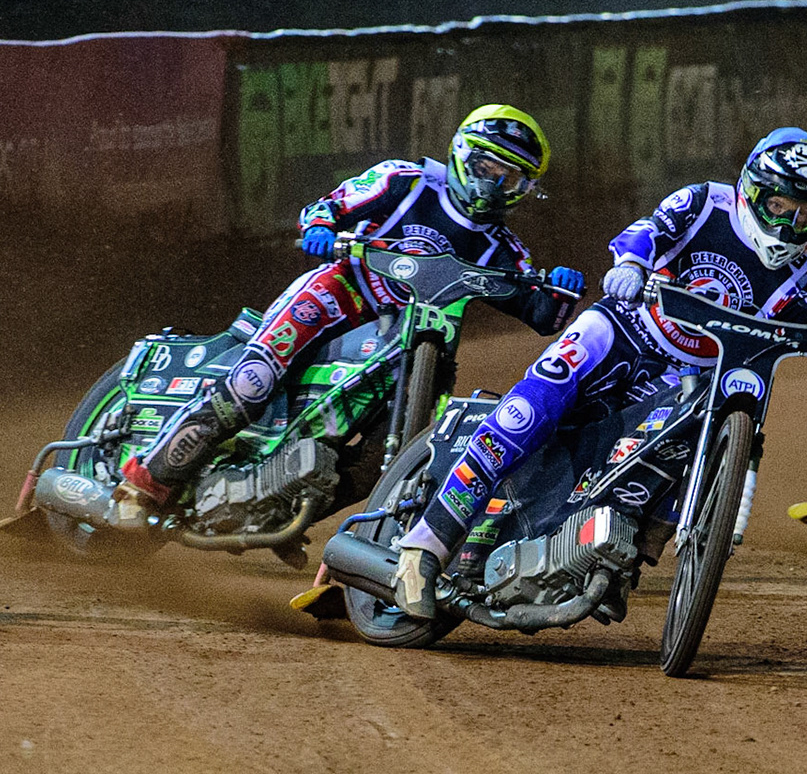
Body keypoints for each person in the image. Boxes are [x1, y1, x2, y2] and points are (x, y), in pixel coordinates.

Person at [391, 127, 807, 617]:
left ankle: (620, 558)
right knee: (531, 409)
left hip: (682, 378)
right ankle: (424, 546)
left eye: (805, 214)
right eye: (779, 207)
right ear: (753, 190)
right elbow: (650, 230)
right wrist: (632, 265)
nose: (789, 226)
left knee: (682, 442)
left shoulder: (803, 274)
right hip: (621, 331)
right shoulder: (705, 202)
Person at [111, 104, 585, 523]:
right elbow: (328, 206)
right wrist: (320, 228)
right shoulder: (407, 180)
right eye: (486, 167)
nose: (493, 184)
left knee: (395, 456)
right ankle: (145, 482)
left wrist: (561, 290)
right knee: (253, 380)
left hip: (418, 339)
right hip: (342, 291)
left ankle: (301, 520)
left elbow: (542, 314)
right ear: (463, 154)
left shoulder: (503, 249)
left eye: (510, 178)